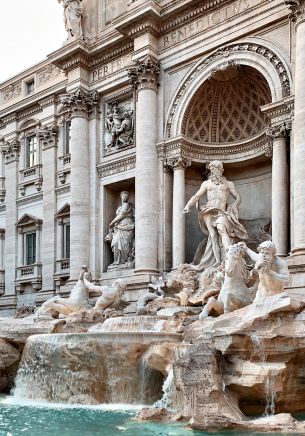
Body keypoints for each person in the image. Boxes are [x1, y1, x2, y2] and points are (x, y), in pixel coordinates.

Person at [183, 160, 247, 269]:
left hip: (221, 212)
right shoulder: (206, 183)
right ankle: (217, 261)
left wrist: (235, 205)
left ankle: (229, 255)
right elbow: (196, 196)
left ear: (221, 170)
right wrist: (188, 205)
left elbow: (238, 197)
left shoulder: (228, 183)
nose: (213, 171)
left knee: (221, 229)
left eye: (216, 168)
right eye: (212, 169)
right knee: (212, 236)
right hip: (208, 211)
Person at [105, 191, 135, 267]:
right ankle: (117, 261)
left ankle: (125, 260)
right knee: (116, 242)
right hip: (119, 226)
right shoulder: (119, 207)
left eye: (126, 197)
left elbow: (121, 215)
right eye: (123, 196)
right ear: (120, 197)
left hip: (126, 225)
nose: (124, 198)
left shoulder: (126, 205)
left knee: (125, 243)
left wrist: (112, 223)